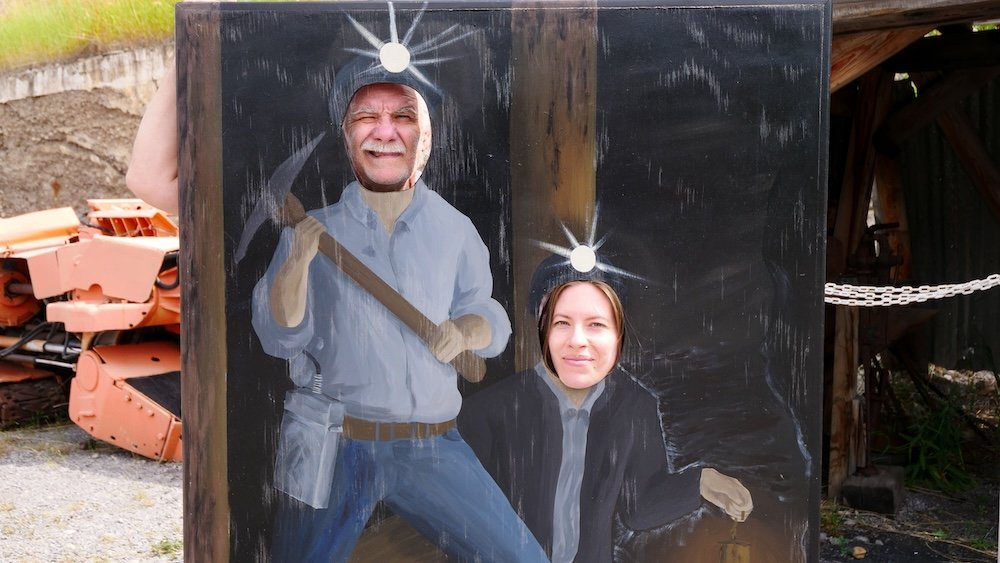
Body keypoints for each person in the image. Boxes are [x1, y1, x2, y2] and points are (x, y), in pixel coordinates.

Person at [459, 278, 754, 563]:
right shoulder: (490, 411)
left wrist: (700, 482)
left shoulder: (634, 406)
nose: (578, 341)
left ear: (617, 332)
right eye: (562, 323)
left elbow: (639, 510)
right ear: (541, 324)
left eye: (596, 325)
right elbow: (466, 518)